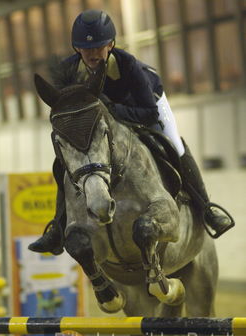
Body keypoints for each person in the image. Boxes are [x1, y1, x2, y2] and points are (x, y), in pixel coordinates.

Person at [28, 9, 234, 255]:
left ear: (111, 45)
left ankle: (206, 208)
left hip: (146, 104)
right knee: (64, 162)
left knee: (173, 144)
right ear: (77, 49)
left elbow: (149, 112)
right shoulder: (69, 72)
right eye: (86, 48)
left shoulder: (129, 66)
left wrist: (111, 110)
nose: (93, 53)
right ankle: (58, 227)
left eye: (100, 47)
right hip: (103, 122)